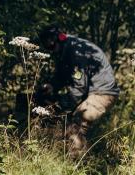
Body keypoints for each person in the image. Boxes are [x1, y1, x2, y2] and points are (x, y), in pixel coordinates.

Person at [36, 25, 118, 157]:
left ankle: (77, 163)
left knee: (77, 123)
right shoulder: (64, 49)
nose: (50, 50)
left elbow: (79, 86)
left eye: (50, 45)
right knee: (65, 120)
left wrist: (63, 104)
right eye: (47, 46)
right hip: (90, 91)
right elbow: (61, 76)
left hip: (102, 92)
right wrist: (51, 86)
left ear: (58, 39)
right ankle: (78, 155)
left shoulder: (76, 51)